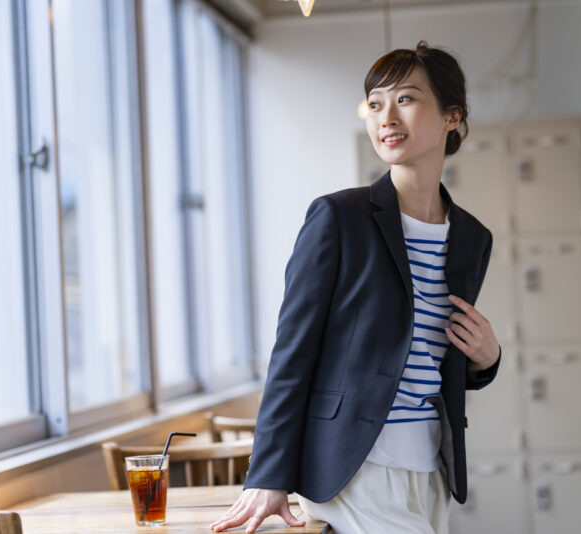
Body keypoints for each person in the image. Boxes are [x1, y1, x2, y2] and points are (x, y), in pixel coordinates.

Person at [210, 41, 502, 534]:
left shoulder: (472, 238)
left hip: (431, 469)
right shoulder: (339, 218)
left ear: (453, 116)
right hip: (354, 468)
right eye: (375, 103)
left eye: (405, 99)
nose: (385, 116)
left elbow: (433, 358)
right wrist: (268, 474)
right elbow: (293, 352)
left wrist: (487, 359)